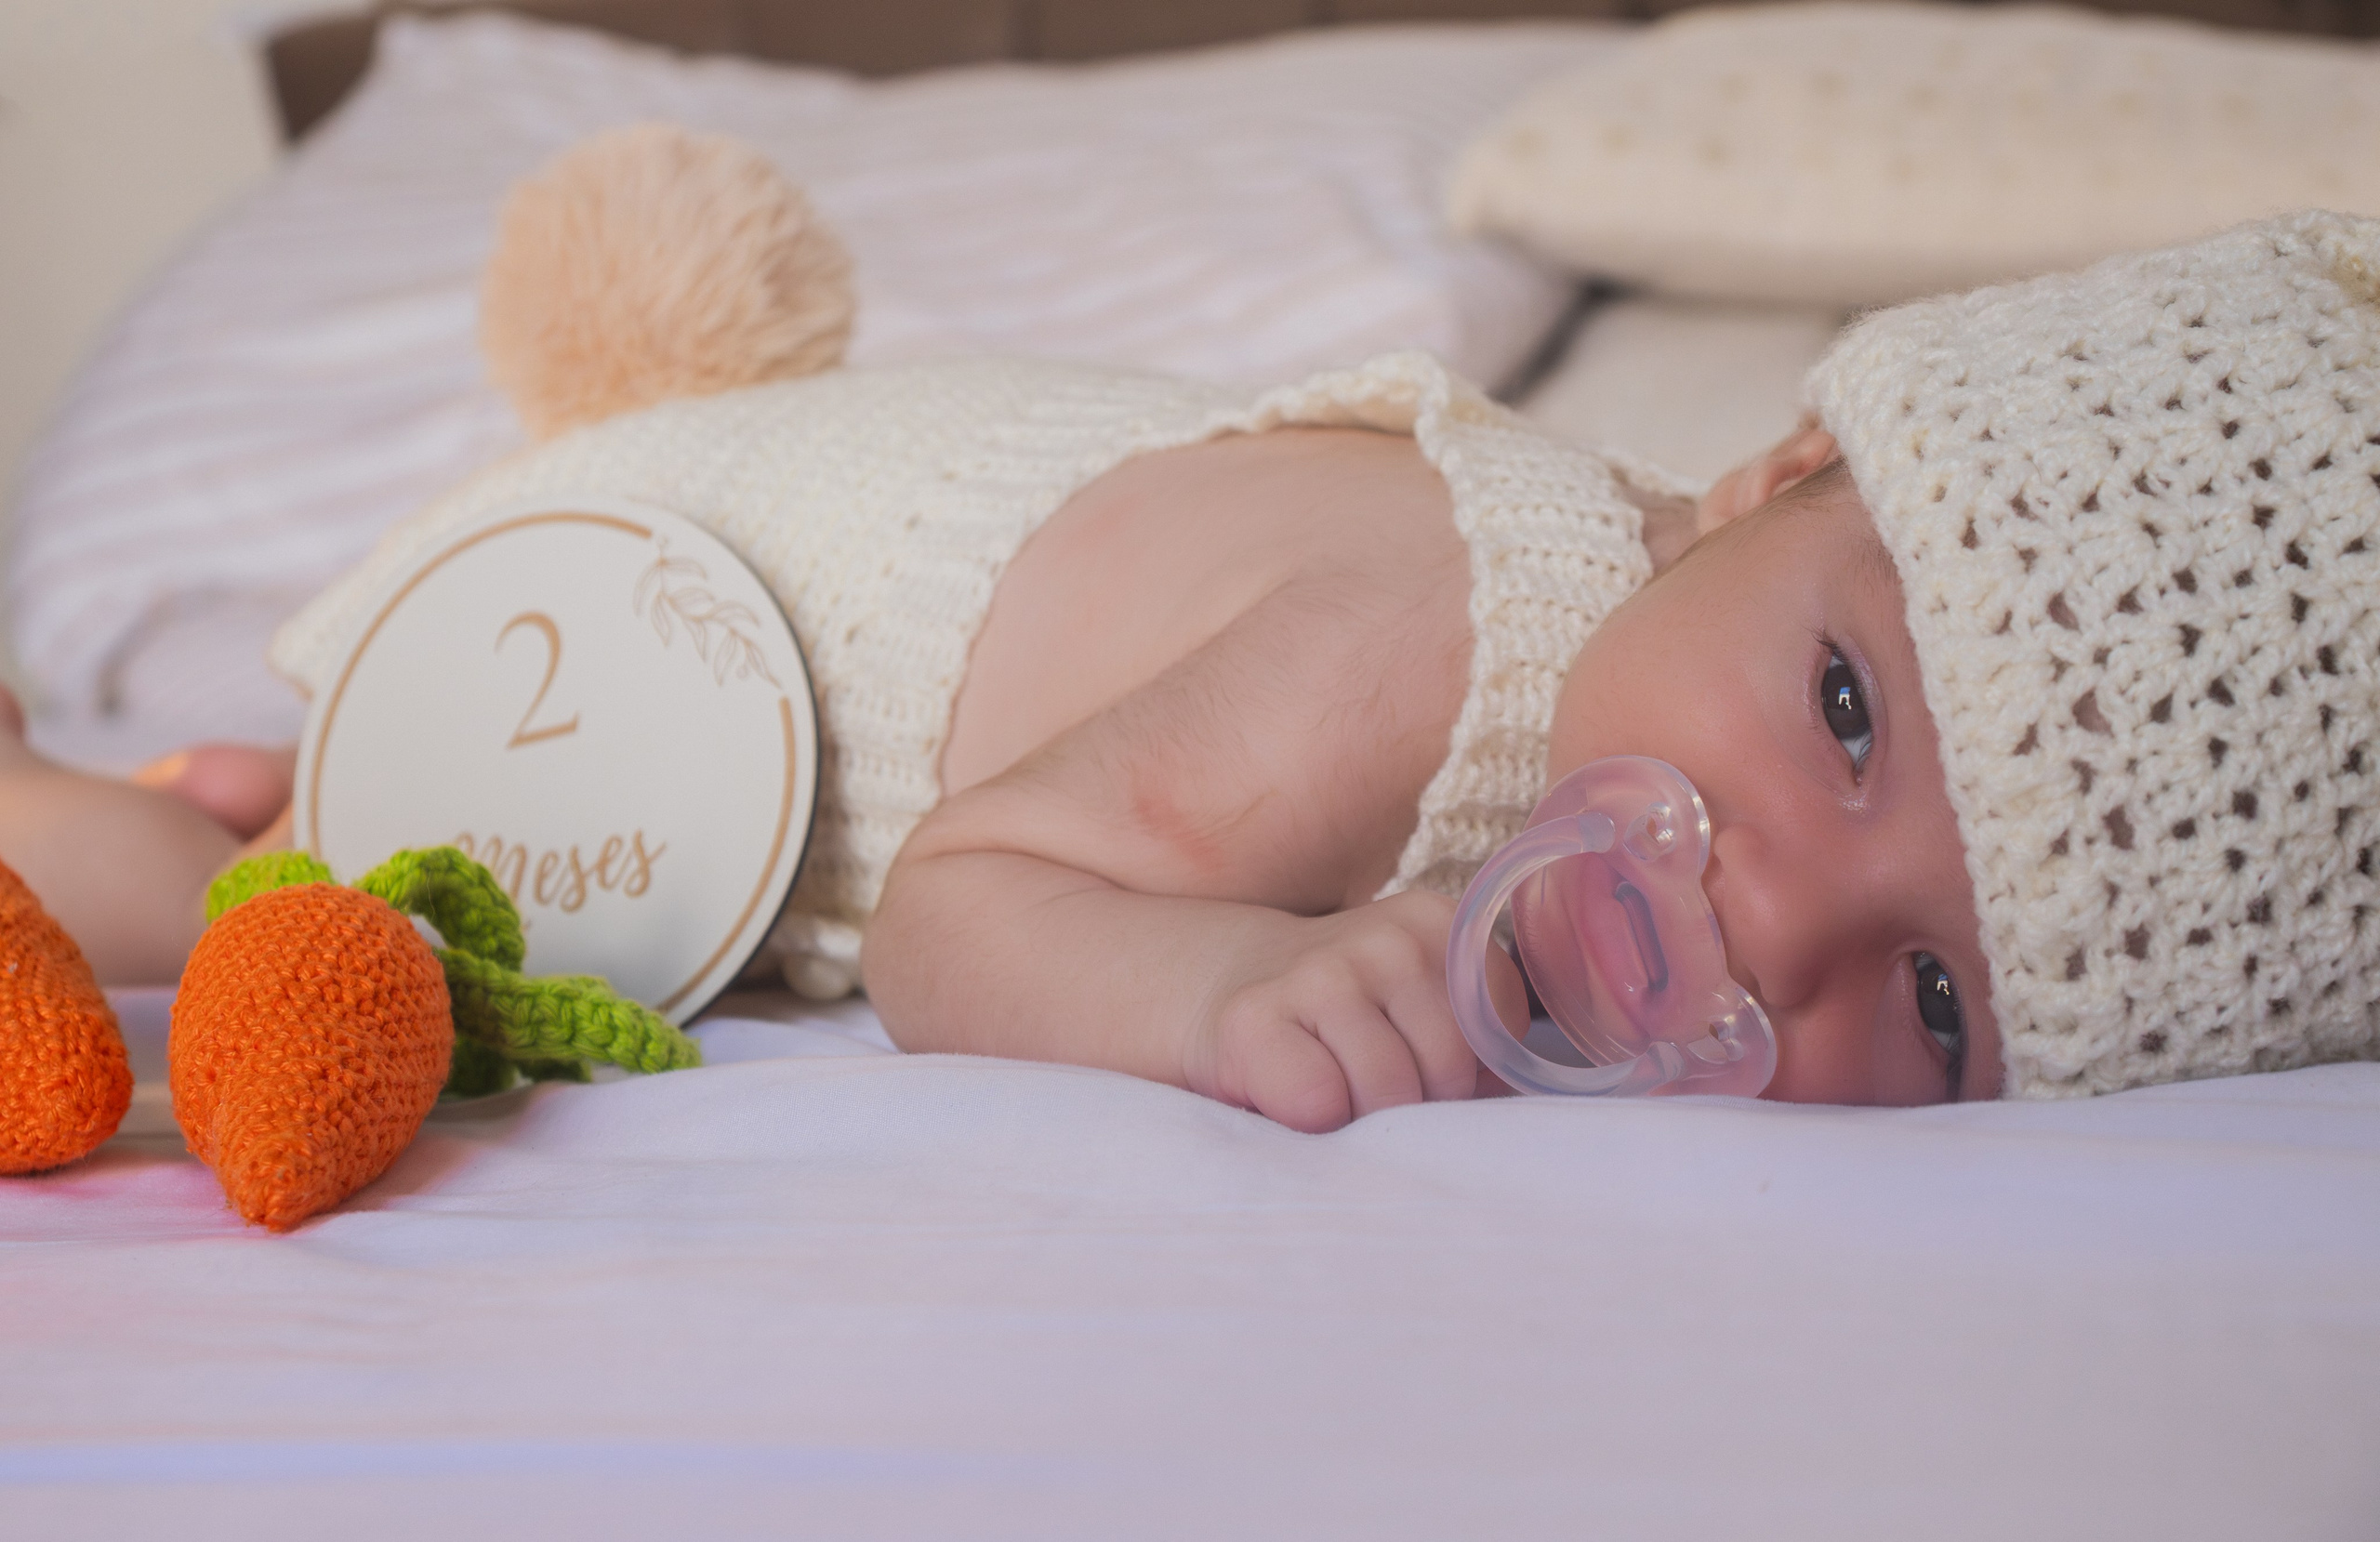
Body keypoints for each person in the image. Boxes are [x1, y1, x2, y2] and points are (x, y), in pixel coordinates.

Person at [7, 160, 2374, 1124]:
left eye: (1942, 1003)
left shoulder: (1637, 704)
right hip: (649, 627)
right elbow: (960, 910)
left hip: (733, 591)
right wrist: (1211, 993)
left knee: (266, 814)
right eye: (1845, 707)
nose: (1787, 917)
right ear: (1764, 475)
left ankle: (179, 777)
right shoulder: (1436, 623)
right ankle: (86, 816)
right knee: (321, 895)